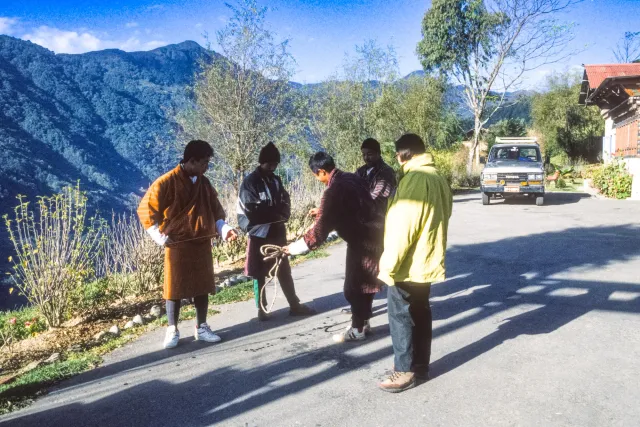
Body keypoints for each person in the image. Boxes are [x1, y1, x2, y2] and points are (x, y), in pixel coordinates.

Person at [137, 140, 238, 349]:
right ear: (191, 161)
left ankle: (201, 326)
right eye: (203, 163)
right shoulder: (166, 182)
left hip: (201, 241)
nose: (206, 168)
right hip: (176, 243)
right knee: (174, 287)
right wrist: (162, 238)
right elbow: (145, 212)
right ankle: (172, 329)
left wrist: (225, 230)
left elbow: (215, 210)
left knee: (202, 285)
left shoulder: (204, 183)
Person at [377, 133, 452, 393]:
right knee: (421, 313)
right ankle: (420, 367)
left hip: (408, 263)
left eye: (397, 156)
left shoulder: (415, 180)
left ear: (403, 154)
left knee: (400, 315)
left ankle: (404, 370)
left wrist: (388, 266)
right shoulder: (437, 177)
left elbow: (403, 228)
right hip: (426, 260)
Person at [286, 152, 384, 343]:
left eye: (316, 175)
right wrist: (322, 211)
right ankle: (363, 323)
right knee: (367, 284)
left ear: (322, 171)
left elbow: (319, 232)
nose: (317, 179)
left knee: (354, 288)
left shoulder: (333, 191)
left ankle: (357, 329)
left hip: (361, 241)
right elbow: (350, 206)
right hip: (377, 234)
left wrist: (294, 248)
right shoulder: (353, 178)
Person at [237, 142, 316, 321]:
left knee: (283, 268)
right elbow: (251, 208)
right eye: (269, 164)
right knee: (258, 272)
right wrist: (272, 213)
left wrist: (282, 214)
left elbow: (284, 200)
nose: (272, 168)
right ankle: (262, 309)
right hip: (259, 233)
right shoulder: (250, 182)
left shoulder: (275, 180)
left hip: (277, 230)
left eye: (275, 165)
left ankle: (294, 304)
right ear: (261, 162)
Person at [356, 138, 397, 218]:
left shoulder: (386, 172)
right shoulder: (361, 171)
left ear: (378, 153)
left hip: (378, 220)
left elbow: (378, 198)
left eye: (369, 154)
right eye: (364, 155)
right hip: (361, 218)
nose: (366, 158)